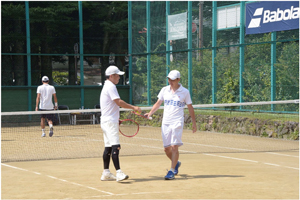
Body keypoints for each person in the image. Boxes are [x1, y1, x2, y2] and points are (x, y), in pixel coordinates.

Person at [145, 70, 197, 180]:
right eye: (169, 79)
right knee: (166, 149)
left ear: (178, 80)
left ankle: (172, 170)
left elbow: (190, 107)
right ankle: (176, 163)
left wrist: (194, 123)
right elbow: (158, 103)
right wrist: (150, 113)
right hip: (166, 122)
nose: (170, 81)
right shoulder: (164, 90)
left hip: (177, 122)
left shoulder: (185, 92)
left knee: (174, 147)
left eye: (173, 80)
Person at [100, 65, 141, 182]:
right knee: (115, 146)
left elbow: (110, 106)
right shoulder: (111, 86)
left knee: (108, 147)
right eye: (117, 75)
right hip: (109, 122)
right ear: (111, 76)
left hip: (106, 121)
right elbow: (118, 102)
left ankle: (106, 172)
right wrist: (134, 107)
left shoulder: (107, 86)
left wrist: (116, 118)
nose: (119, 77)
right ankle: (119, 173)